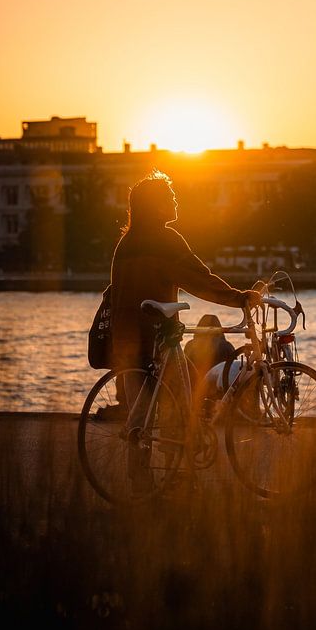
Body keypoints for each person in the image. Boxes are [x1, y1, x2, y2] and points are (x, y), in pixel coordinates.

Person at [109, 169, 260, 490]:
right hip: (157, 337)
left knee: (139, 417)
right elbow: (199, 279)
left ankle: (140, 488)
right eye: (169, 197)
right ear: (157, 206)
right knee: (180, 400)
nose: (175, 200)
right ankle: (176, 477)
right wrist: (240, 298)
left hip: (125, 340)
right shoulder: (164, 240)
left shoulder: (126, 242)